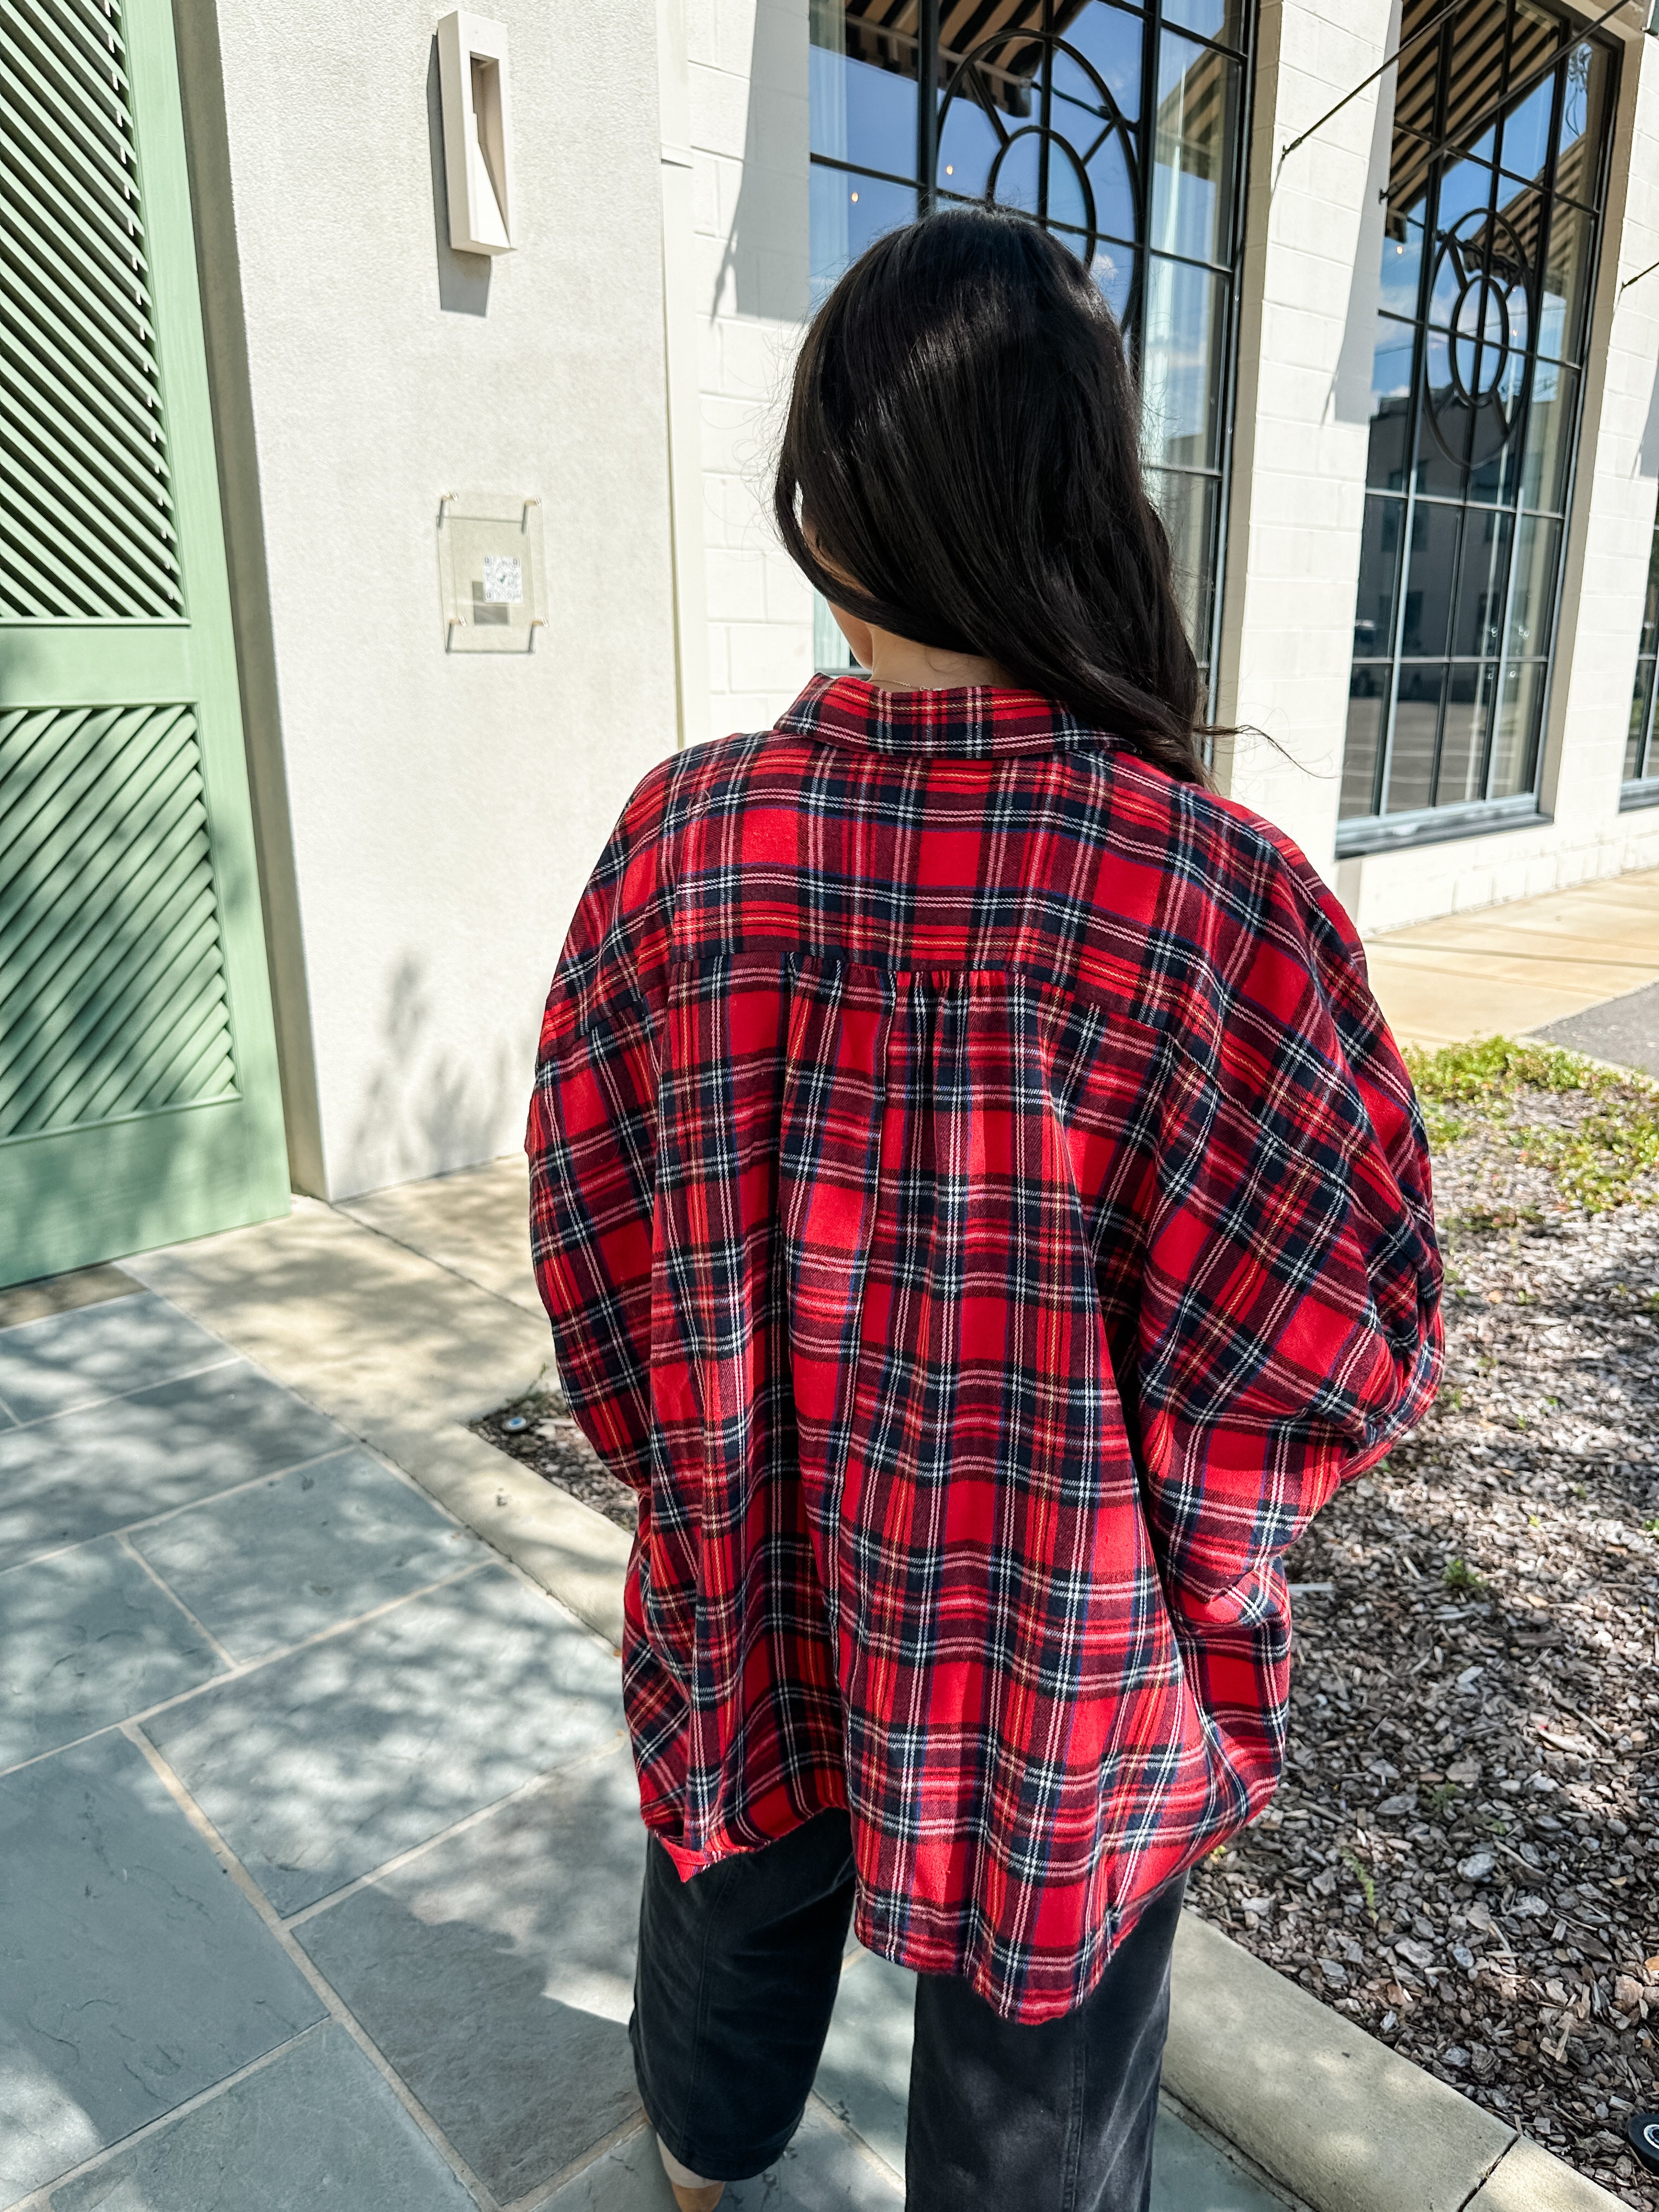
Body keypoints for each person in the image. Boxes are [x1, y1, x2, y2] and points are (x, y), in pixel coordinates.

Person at [526, 207, 1442, 2212]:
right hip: (1062, 1652)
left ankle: (701, 2163)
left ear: (827, 509)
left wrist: (710, 1474)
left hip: (754, 1577)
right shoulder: (1215, 898)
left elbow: (587, 1237)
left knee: (731, 1867)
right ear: (1080, 501)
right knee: (1045, 2045)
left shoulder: (684, 850)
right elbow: (1337, 1322)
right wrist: (1188, 1574)